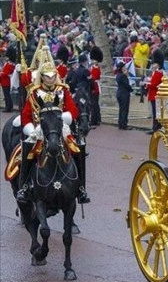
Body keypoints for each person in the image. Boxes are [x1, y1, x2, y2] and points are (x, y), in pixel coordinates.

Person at [16, 60, 87, 204]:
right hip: (39, 128)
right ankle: (24, 186)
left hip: (60, 125)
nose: (50, 79)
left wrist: (65, 118)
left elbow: (73, 110)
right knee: (29, 148)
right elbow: (26, 115)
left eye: (52, 76)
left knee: (78, 148)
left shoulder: (62, 90)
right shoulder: (34, 92)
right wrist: (31, 130)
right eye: (47, 76)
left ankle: (81, 188)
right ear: (42, 76)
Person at [145, 50, 165, 133]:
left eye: (154, 63)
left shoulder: (158, 73)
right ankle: (156, 127)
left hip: (155, 95)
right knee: (156, 113)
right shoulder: (156, 72)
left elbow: (154, 85)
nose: (153, 65)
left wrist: (146, 84)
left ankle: (155, 128)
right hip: (154, 95)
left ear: (158, 64)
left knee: (156, 113)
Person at [115, 62, 133, 130]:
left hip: (119, 93)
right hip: (124, 94)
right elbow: (126, 85)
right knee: (125, 109)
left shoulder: (118, 75)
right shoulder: (123, 76)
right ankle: (123, 124)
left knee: (121, 109)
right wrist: (131, 89)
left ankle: (120, 123)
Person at [89, 46, 103, 127]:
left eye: (94, 60)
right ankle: (97, 119)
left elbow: (93, 78)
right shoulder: (93, 67)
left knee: (94, 104)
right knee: (95, 104)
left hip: (95, 87)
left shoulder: (96, 68)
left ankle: (94, 120)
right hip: (94, 86)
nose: (92, 61)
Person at [1, 46, 16, 112]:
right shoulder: (11, 63)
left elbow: (6, 73)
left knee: (7, 96)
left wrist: (1, 73)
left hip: (6, 81)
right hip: (6, 81)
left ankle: (8, 107)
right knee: (7, 95)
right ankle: (9, 106)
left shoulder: (10, 63)